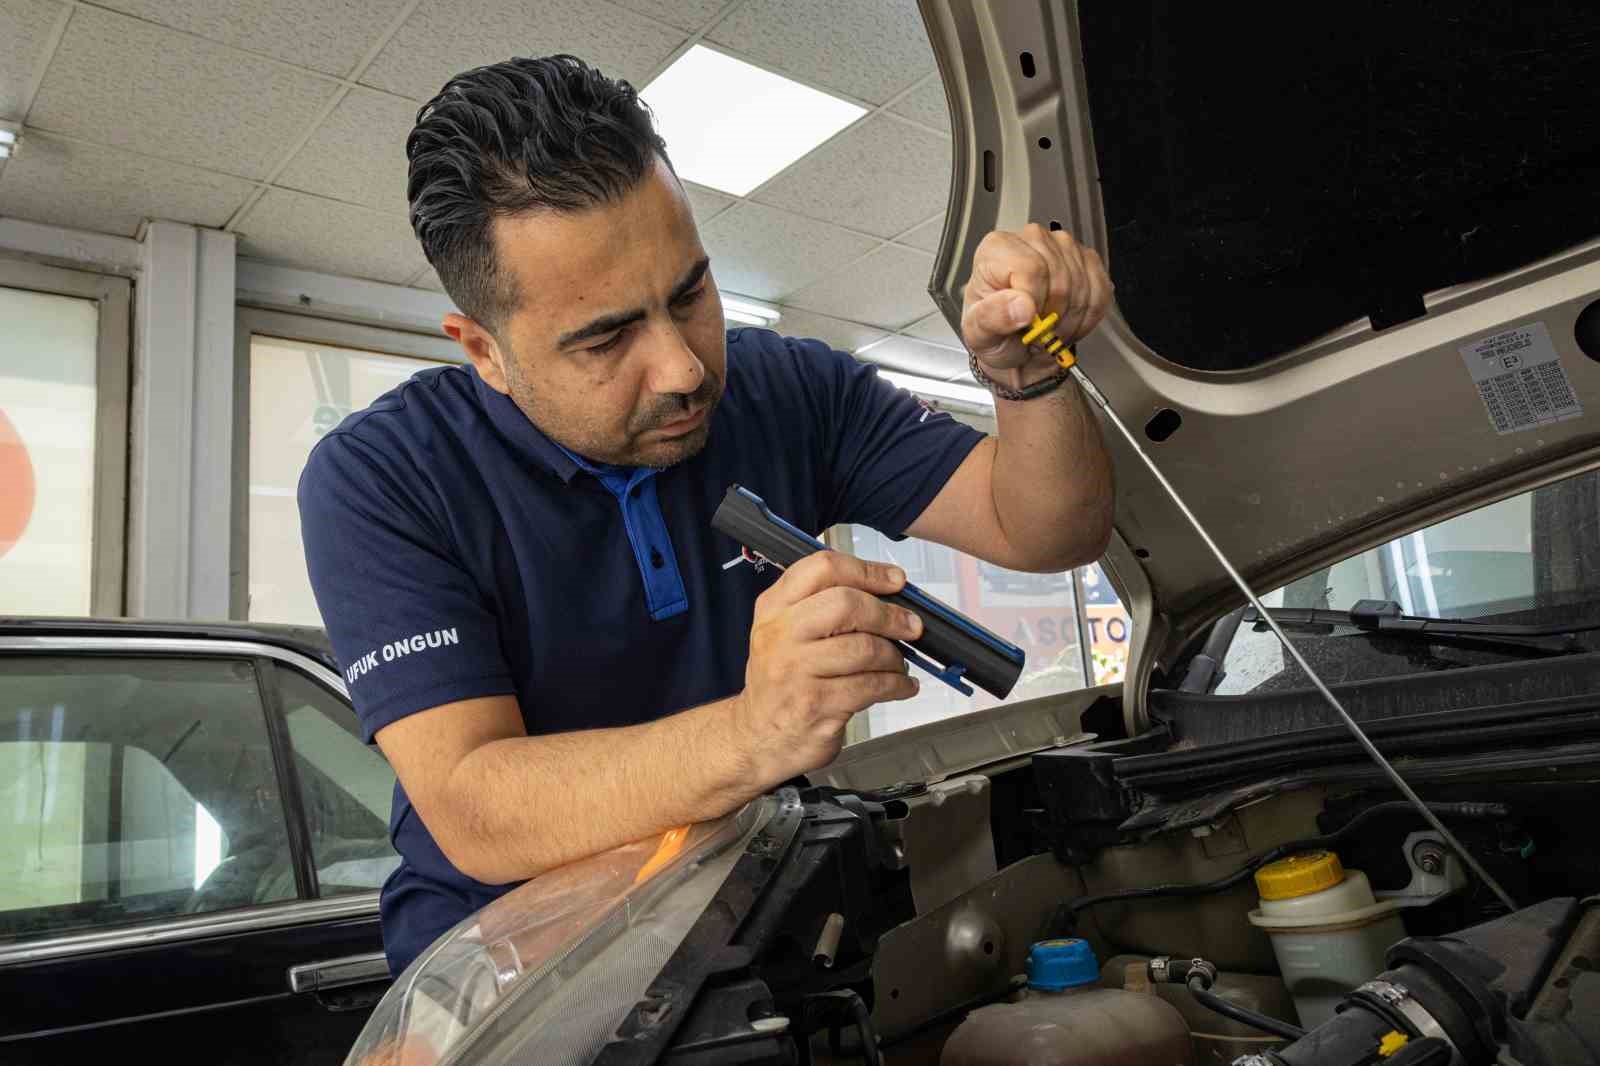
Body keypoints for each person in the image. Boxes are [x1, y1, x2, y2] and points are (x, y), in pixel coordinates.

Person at [299, 54, 1114, 975]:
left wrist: (1027, 374)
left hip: (755, 919)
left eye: (689, 294)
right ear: (484, 350)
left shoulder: (788, 388)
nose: (684, 369)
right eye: (607, 337)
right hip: (515, 969)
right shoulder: (382, 477)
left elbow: (1049, 529)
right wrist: (756, 728)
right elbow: (475, 807)